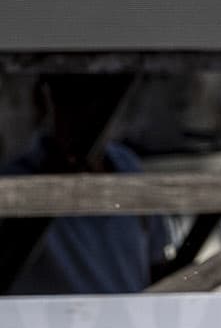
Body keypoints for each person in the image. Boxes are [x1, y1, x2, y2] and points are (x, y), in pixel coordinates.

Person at [0, 75, 169, 295]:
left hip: (130, 325)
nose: (84, 113)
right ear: (48, 100)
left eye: (95, 99)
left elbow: (158, 263)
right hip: (51, 326)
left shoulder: (128, 167)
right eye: (72, 99)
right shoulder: (18, 181)